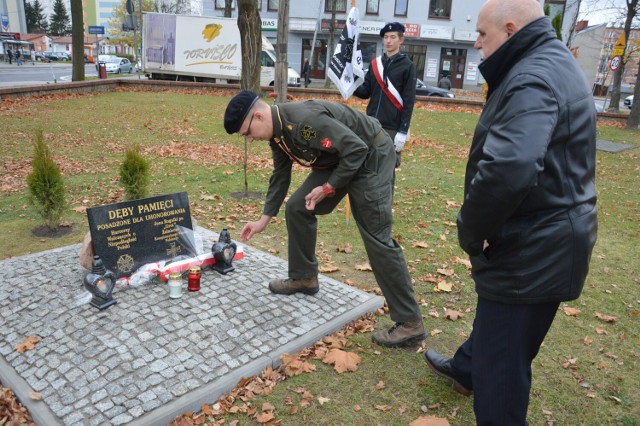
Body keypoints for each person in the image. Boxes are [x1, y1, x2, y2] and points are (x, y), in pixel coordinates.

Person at [423, 0, 598, 424]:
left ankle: (479, 376)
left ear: (511, 28)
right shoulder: (550, 60)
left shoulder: (532, 77)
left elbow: (511, 166)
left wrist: (471, 228)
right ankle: (467, 370)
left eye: (483, 35)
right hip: (549, 236)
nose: (478, 44)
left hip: (532, 247)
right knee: (502, 332)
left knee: (503, 373)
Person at [224, 91, 426, 348]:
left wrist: (329, 187)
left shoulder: (304, 121)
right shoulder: (278, 134)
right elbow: (280, 174)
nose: (250, 139)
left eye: (247, 133)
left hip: (370, 155)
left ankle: (410, 323)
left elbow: (357, 149)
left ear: (259, 115)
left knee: (376, 236)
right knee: (297, 207)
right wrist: (264, 219)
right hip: (342, 157)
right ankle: (304, 277)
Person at [353, 22, 416, 167]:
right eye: (386, 37)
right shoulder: (375, 64)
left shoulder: (408, 66)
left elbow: (409, 101)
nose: (388, 41)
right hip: (371, 123)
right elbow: (365, 92)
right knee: (367, 167)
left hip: (392, 128)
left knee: (386, 171)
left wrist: (403, 131)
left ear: (401, 40)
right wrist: (351, 85)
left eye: (392, 37)